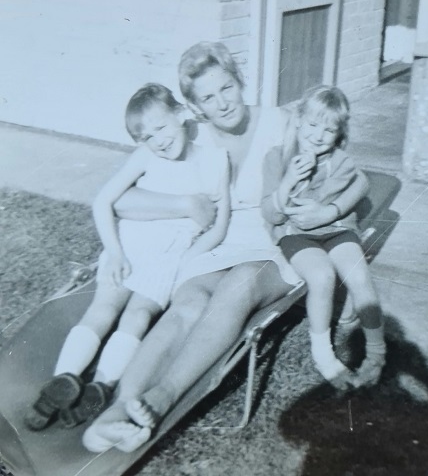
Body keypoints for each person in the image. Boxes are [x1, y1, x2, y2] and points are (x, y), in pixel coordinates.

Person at [82, 42, 370, 453]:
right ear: (193, 106)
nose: (222, 103)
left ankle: (162, 396)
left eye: (227, 88)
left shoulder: (282, 122)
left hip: (275, 237)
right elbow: (121, 196)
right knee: (187, 304)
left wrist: (333, 207)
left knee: (238, 286)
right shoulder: (185, 133)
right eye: (207, 97)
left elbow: (357, 176)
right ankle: (115, 414)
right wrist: (182, 205)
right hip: (216, 238)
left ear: (239, 81)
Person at [24, 83, 230, 431]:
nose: (158, 140)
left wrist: (185, 263)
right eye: (147, 136)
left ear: (181, 115)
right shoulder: (147, 158)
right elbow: (103, 201)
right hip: (131, 244)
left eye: (161, 127)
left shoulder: (213, 160)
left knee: (134, 315)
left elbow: (219, 225)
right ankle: (69, 380)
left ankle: (93, 384)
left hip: (170, 256)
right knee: (105, 309)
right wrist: (115, 251)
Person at [262, 85, 386, 389]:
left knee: (359, 276)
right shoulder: (277, 158)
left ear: (339, 133)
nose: (318, 136)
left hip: (338, 230)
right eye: (313, 125)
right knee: (321, 275)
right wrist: (289, 180)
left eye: (329, 130)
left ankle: (377, 354)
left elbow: (361, 182)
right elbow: (271, 214)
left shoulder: (340, 161)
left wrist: (329, 211)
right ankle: (324, 355)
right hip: (297, 235)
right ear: (299, 119)